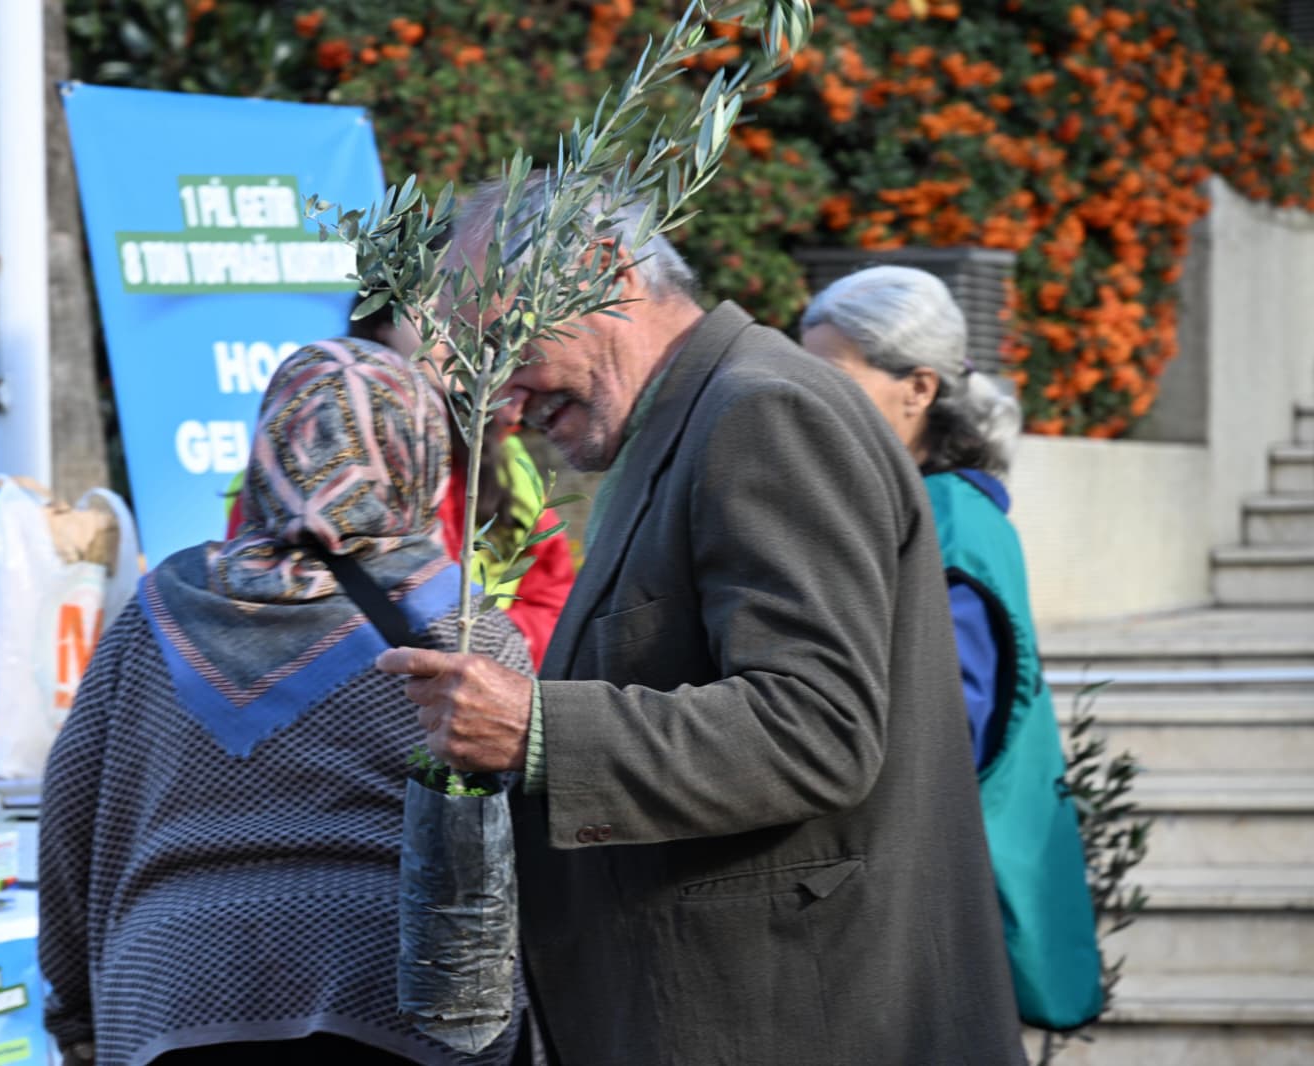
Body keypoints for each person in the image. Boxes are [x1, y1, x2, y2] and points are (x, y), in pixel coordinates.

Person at [378, 177, 1026, 1064]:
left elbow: (816, 730)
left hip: (795, 1019)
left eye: (503, 346)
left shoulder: (761, 411)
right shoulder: (692, 422)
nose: (504, 403)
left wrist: (535, 728)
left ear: (600, 271)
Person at [38, 338, 534, 1066]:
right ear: (421, 455)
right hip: (398, 998)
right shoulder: (464, 632)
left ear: (270, 448)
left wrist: (74, 1014)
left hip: (169, 991)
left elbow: (67, 817)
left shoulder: (153, 615)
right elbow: (524, 839)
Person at [800, 265, 1104, 1032]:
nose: (807, 398)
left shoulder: (946, 524)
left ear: (920, 388)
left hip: (940, 914)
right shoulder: (945, 511)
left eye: (834, 376)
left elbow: (946, 735)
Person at [225, 304, 577, 669]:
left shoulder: (506, 460)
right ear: (381, 321)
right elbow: (253, 602)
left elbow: (551, 593)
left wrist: (492, 645)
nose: (456, 333)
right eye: (438, 314)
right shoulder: (300, 454)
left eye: (469, 315)